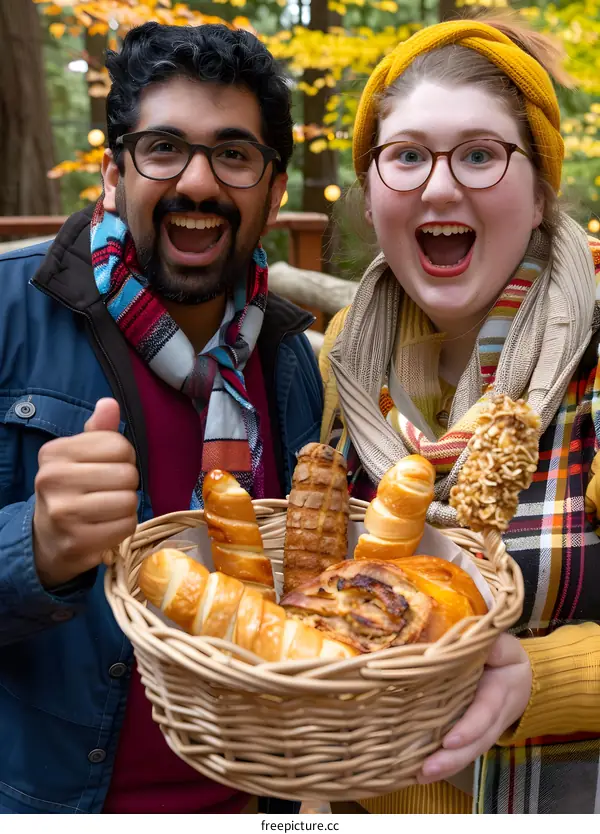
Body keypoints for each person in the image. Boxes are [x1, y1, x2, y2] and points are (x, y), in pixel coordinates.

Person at [0, 22, 321, 814]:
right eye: (164, 147)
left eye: (235, 154)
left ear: (274, 192)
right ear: (113, 174)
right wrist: (31, 545)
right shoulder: (9, 314)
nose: (200, 183)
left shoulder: (292, 363)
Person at [320, 15, 600, 814]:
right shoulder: (346, 354)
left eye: (480, 153)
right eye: (405, 155)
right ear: (372, 195)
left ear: (541, 189)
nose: (440, 187)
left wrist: (530, 683)